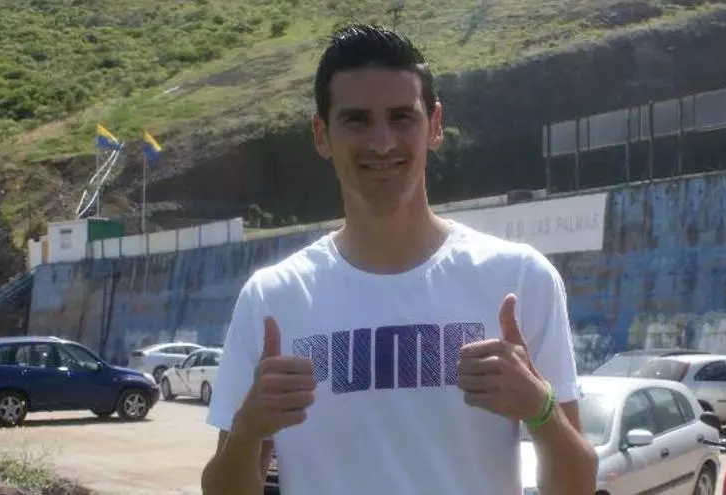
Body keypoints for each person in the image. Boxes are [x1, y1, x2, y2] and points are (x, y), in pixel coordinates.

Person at [200, 23, 597, 495]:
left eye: (401, 117)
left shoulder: (519, 278)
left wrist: (541, 410)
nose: (382, 143)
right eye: (356, 120)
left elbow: (578, 485)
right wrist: (247, 432)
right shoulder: (272, 297)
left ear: (434, 124)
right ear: (321, 134)